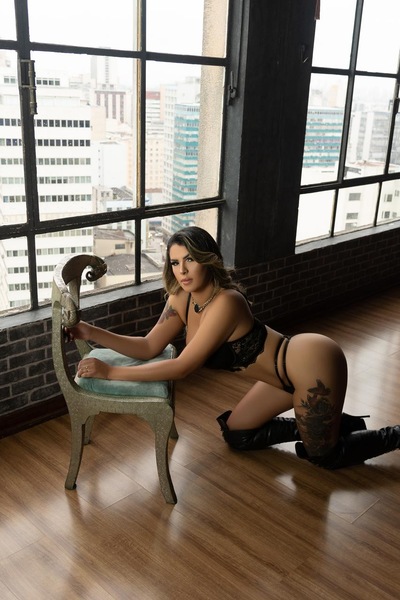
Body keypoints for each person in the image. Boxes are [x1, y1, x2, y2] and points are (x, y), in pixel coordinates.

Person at [68, 226, 400, 469]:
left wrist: (111, 371)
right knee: (238, 435)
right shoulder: (181, 298)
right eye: (174, 262)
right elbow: (149, 345)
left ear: (208, 260)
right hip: (280, 382)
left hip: (312, 364)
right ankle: (332, 424)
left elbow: (183, 367)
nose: (182, 271)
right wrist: (90, 331)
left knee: (325, 457)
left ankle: (392, 434)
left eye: (190, 260)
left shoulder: (227, 302)